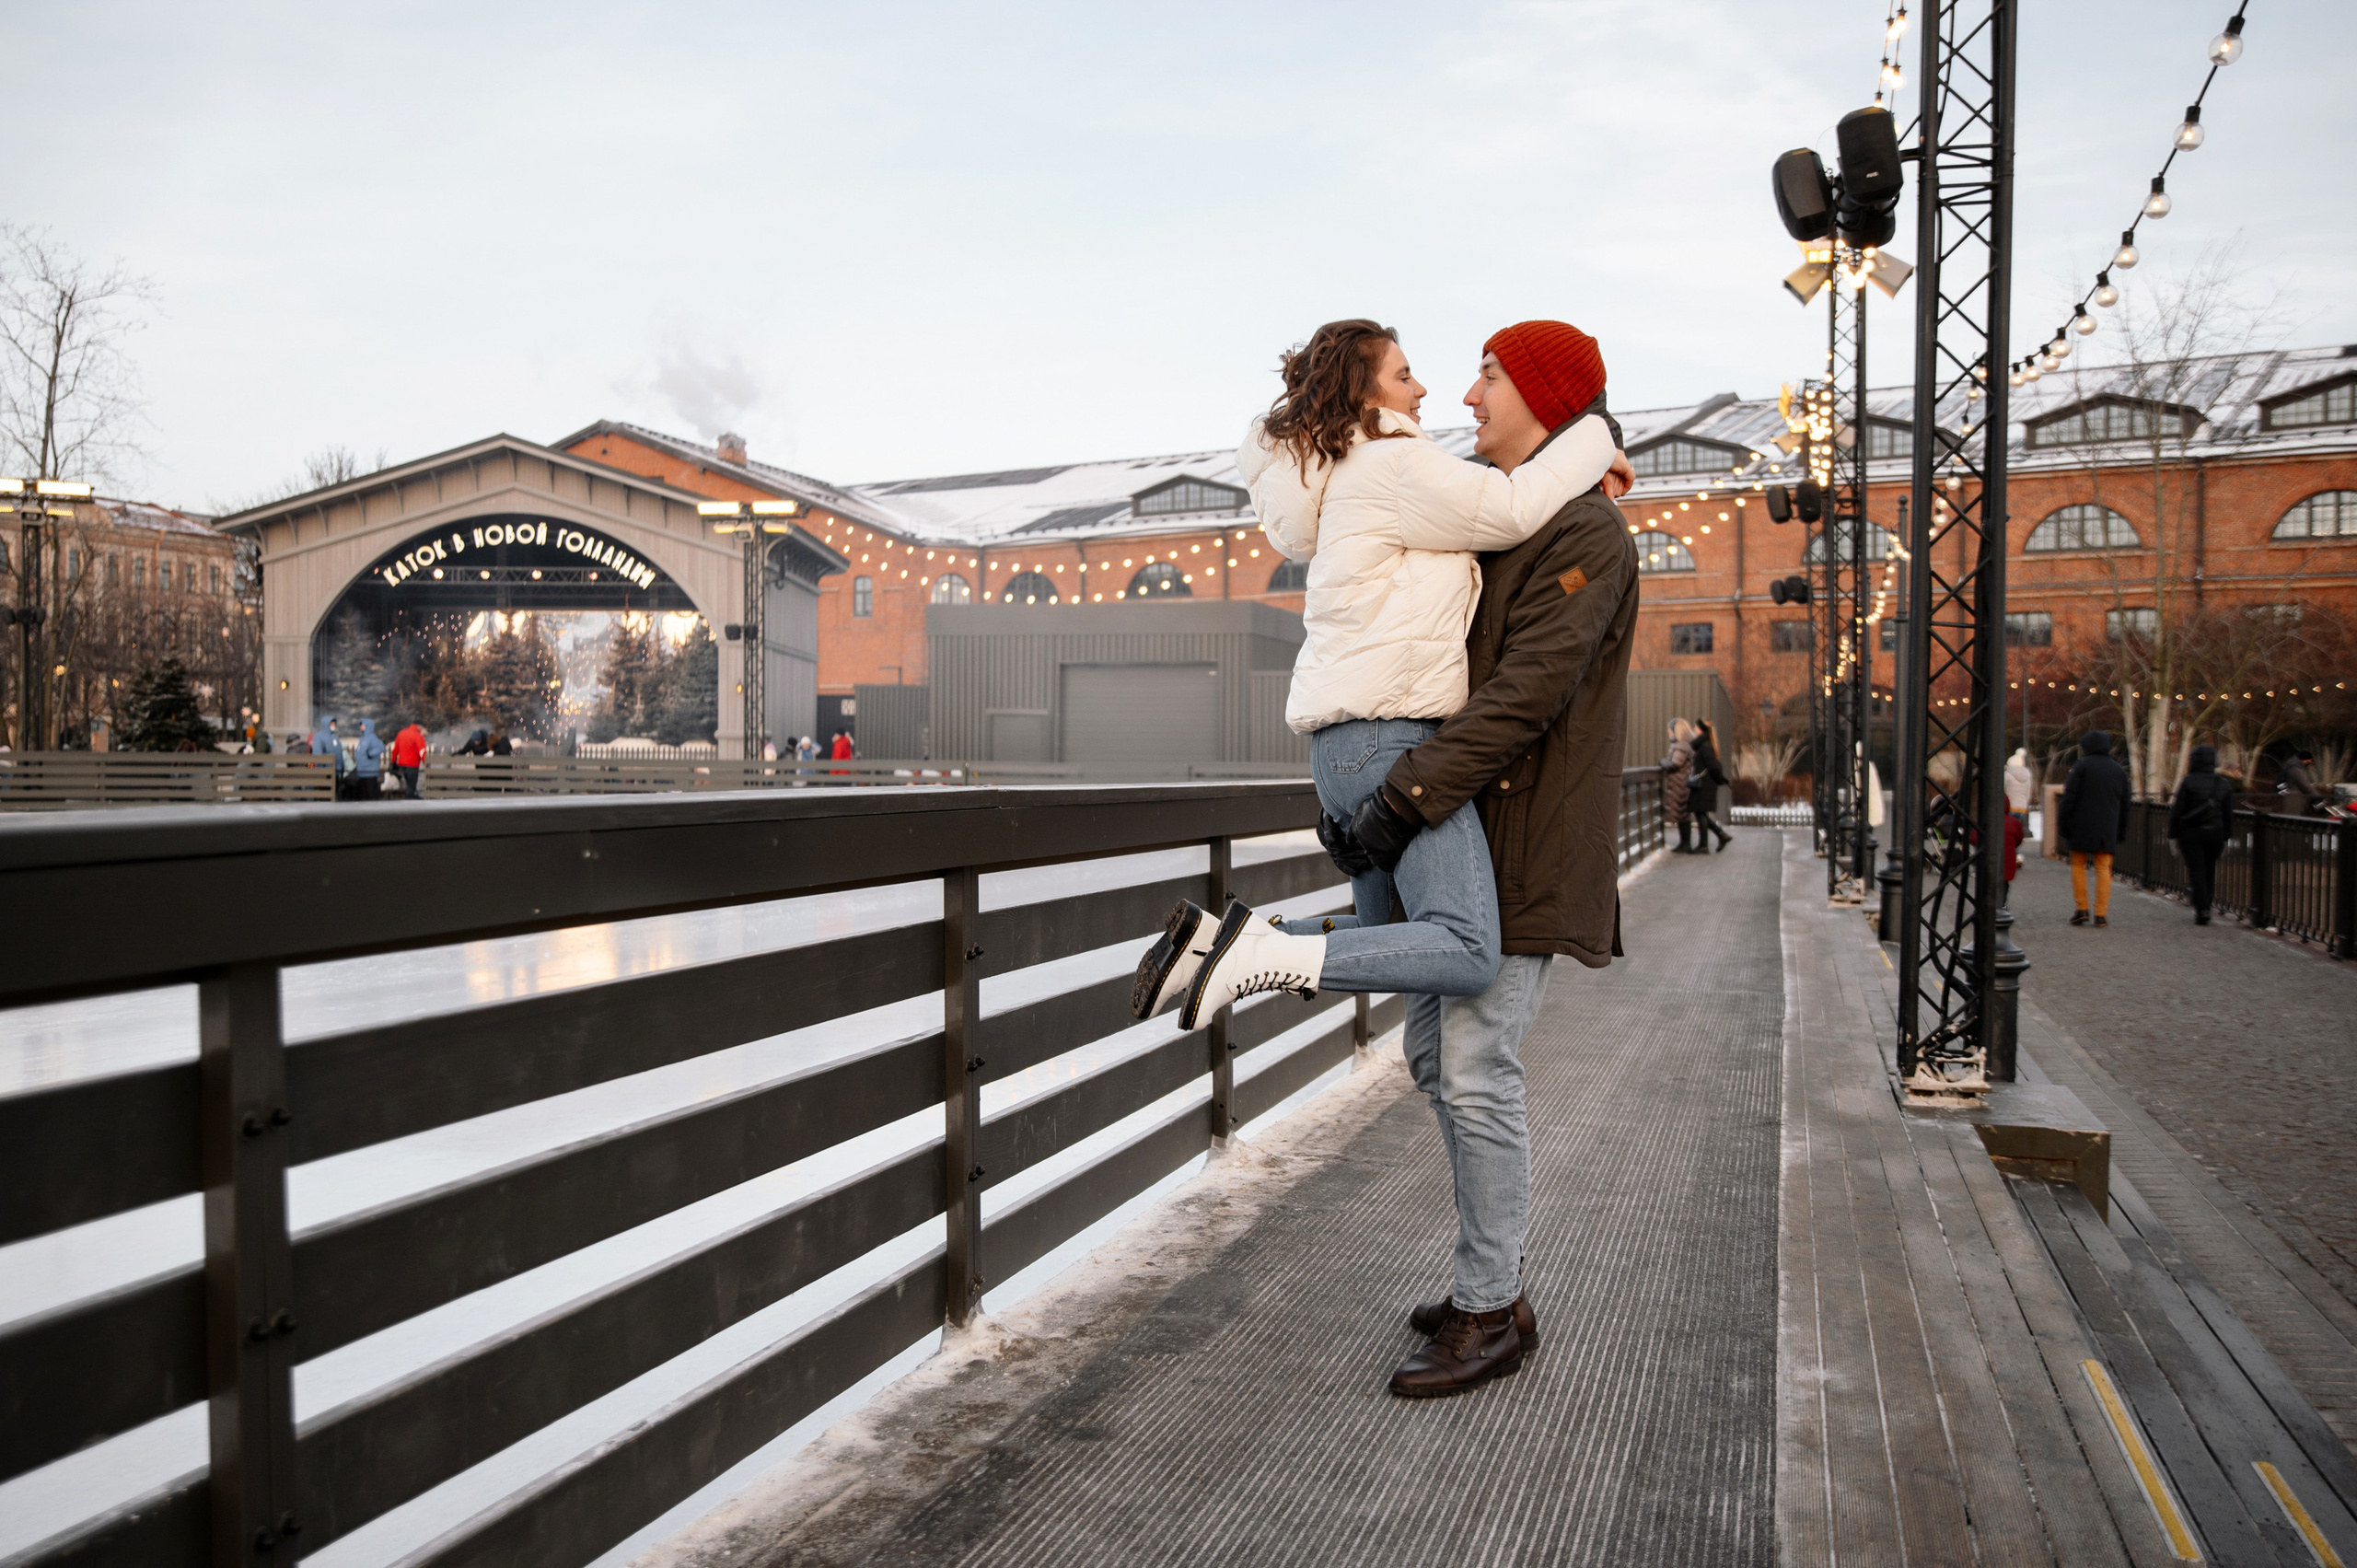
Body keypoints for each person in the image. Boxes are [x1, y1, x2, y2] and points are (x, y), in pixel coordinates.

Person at [1140, 319, 1641, 1398]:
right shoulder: (1479, 500)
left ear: (1545, 397)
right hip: (1451, 821)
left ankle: (1487, 1305)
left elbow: (1523, 693)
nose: (1465, 394)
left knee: (1471, 1066)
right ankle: (1490, 1282)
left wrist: (1400, 795)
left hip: (1519, 838)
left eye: (1490, 376)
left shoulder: (1585, 537)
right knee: (1437, 1063)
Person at [1133, 317, 1624, 1032]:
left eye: (1483, 376)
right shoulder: (1397, 465)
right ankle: (1252, 953)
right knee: (1465, 946)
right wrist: (1599, 437)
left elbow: (1499, 497)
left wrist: (1588, 460)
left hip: (1349, 751)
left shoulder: (1367, 472)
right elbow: (1517, 507)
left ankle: (1214, 947)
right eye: (1403, 375)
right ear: (1367, 400)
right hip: (1390, 743)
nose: (1429, 389)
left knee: (1399, 950)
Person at [2058, 728, 2131, 927]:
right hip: (2107, 828)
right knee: (2103, 868)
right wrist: (2121, 830)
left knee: (2078, 864)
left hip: (2081, 826)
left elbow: (2069, 798)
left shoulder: (2081, 767)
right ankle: (2101, 913)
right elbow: (2125, 805)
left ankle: (2082, 908)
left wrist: (2064, 824)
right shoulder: (2118, 770)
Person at [2168, 743, 2236, 924]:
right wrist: (2227, 835)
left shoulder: (2188, 781)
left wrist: (2173, 834)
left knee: (2196, 870)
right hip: (2215, 833)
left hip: (2192, 834)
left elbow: (2177, 811)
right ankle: (2207, 902)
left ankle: (2202, 908)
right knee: (2210, 868)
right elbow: (2229, 815)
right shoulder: (2223, 783)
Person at [1689, 717, 1733, 852]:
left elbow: (1713, 766)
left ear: (1701, 729)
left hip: (1705, 784)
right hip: (1705, 783)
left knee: (1700, 812)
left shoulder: (1705, 746)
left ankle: (1705, 844)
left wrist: (1719, 779)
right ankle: (1720, 836)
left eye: (1696, 727)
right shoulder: (1705, 744)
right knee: (1701, 813)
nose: (1694, 729)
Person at [1662, 719, 1697, 853]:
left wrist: (1663, 762)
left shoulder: (1681, 745)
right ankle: (1684, 843)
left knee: (1682, 815)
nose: (1669, 733)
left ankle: (1685, 843)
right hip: (1682, 783)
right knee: (1683, 815)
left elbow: (1675, 764)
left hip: (1679, 784)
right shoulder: (1685, 744)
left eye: (1670, 731)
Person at [2277, 748, 2320, 816]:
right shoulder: (2296, 769)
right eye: (2309, 761)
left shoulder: (2291, 765)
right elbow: (2304, 785)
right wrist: (2317, 796)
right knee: (2293, 817)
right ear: (2304, 760)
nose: (2309, 763)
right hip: (2295, 798)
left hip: (2290, 796)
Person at [391, 719, 427, 798]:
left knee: (408, 785)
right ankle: (409, 804)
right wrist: (426, 763)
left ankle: (409, 800)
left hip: (402, 764)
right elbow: (422, 752)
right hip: (412, 765)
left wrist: (393, 762)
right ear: (419, 726)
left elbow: (395, 750)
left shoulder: (401, 733)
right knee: (411, 786)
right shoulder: (418, 736)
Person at [353, 718, 387, 798]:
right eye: (361, 725)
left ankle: (373, 809)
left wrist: (371, 754)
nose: (361, 727)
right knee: (363, 794)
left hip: (370, 771)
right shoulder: (362, 739)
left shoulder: (372, 738)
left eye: (363, 725)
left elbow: (381, 748)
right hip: (362, 771)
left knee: (371, 793)